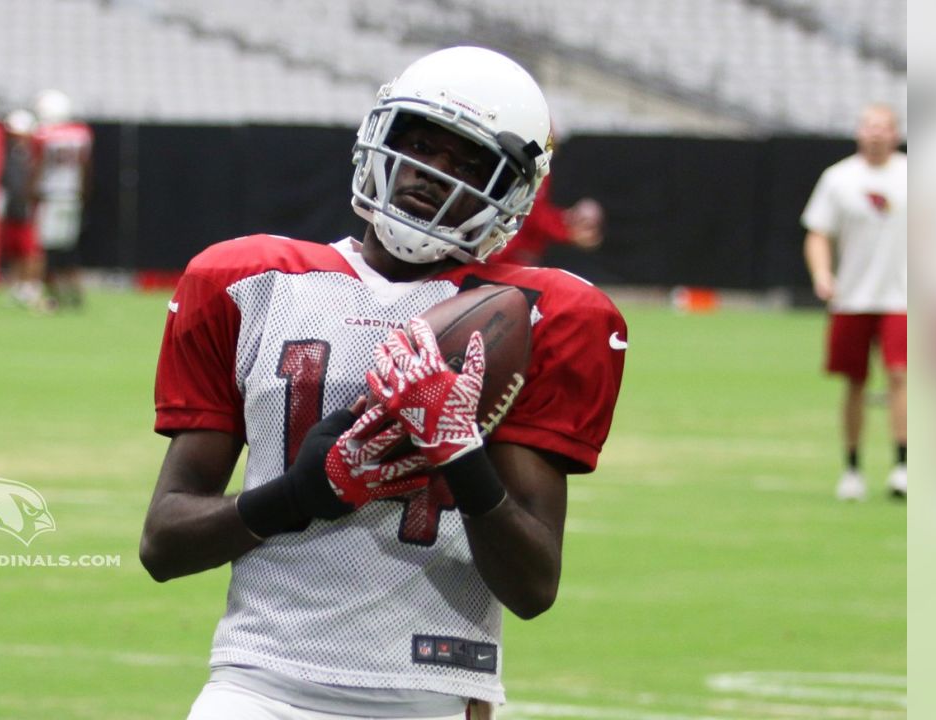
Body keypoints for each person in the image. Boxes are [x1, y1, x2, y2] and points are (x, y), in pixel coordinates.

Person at [140, 47, 627, 719]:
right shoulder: (248, 283)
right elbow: (163, 543)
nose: (432, 174)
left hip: (432, 694)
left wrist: (457, 449)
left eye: (468, 164)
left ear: (513, 190)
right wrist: (299, 493)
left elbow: (533, 584)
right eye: (421, 145)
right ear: (379, 138)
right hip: (257, 687)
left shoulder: (545, 317)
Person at [802, 103, 907, 500]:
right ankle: (852, 467)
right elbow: (817, 232)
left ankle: (903, 465)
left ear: (895, 133)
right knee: (854, 381)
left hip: (903, 296)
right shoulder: (839, 179)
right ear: (859, 132)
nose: (876, 133)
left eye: (883, 127)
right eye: (869, 126)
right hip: (854, 297)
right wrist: (822, 274)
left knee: (900, 374)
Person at [30, 89, 92, 310]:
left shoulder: (44, 135)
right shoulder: (81, 133)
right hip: (73, 196)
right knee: (68, 248)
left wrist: (32, 194)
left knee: (47, 250)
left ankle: (49, 295)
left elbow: (38, 168)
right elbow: (86, 168)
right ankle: (74, 293)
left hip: (51, 196)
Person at [487, 172, 603, 267]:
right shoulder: (536, 167)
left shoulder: (543, 168)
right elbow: (531, 212)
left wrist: (566, 217)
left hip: (514, 257)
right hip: (499, 254)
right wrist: (567, 230)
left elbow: (535, 209)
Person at [0, 109, 46, 310]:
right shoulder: (9, 151)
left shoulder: (33, 152)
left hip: (28, 207)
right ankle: (17, 286)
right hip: (13, 206)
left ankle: (32, 286)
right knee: (15, 249)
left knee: (30, 250)